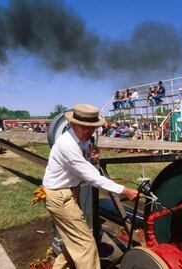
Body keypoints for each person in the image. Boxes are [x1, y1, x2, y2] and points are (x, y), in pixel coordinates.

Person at [42, 104, 138, 269]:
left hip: (70, 193)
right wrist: (124, 190)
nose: (89, 132)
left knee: (74, 243)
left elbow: (85, 164)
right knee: (86, 245)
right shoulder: (67, 144)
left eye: (92, 128)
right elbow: (92, 177)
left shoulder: (84, 140)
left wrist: (92, 159)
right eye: (84, 128)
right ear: (72, 124)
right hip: (60, 196)